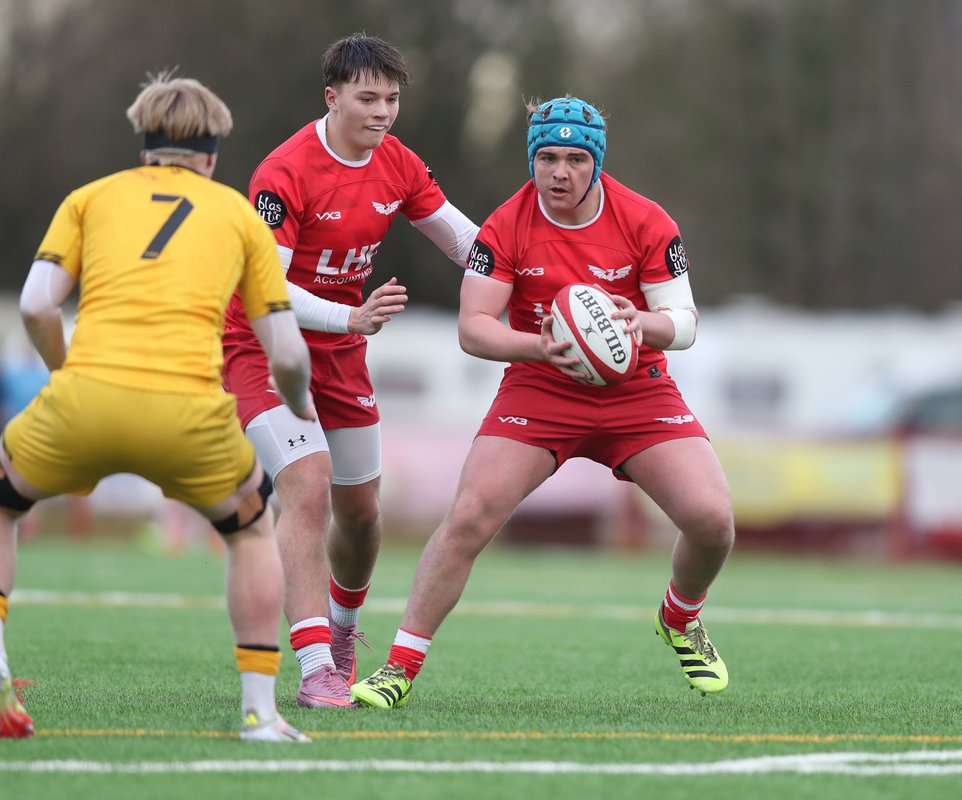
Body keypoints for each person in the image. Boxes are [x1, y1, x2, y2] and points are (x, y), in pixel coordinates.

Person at [350, 95, 736, 709]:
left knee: (713, 521)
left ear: (596, 164)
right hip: (540, 385)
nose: (559, 173)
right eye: (547, 157)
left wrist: (643, 324)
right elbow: (474, 327)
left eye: (576, 160)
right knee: (470, 516)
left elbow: (684, 321)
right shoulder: (506, 225)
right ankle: (398, 668)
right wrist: (540, 347)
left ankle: (680, 617)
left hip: (636, 389)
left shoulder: (646, 221)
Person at [0, 73, 315, 741]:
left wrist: (66, 372)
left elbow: (34, 305)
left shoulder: (90, 198)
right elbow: (286, 353)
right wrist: (300, 404)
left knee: (3, 503)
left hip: (81, 404)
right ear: (211, 154)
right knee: (252, 531)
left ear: (144, 149)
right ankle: (259, 713)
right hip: (189, 417)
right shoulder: (236, 213)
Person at [221, 33, 479, 709]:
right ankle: (316, 671)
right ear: (332, 97)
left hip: (340, 353)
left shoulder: (396, 161)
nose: (384, 112)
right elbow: (265, 289)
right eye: (369, 98)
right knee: (306, 488)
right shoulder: (284, 174)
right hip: (265, 347)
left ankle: (341, 631)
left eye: (393, 98)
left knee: (361, 515)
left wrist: (537, 281)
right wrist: (350, 318)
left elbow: (462, 240)